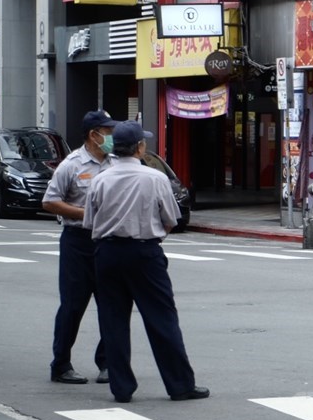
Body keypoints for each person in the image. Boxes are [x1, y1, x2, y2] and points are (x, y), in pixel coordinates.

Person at [83, 120, 209, 403]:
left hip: (107, 252)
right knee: (162, 318)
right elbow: (171, 219)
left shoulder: (100, 179)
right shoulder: (155, 178)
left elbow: (89, 222)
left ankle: (121, 387)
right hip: (144, 252)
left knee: (113, 320)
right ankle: (180, 385)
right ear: (139, 147)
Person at [42, 110, 119, 384]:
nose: (112, 137)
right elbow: (50, 201)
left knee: (112, 305)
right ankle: (61, 364)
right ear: (93, 135)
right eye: (108, 132)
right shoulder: (72, 165)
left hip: (108, 241)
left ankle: (108, 363)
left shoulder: (116, 162)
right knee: (73, 306)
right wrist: (84, 213)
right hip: (78, 242)